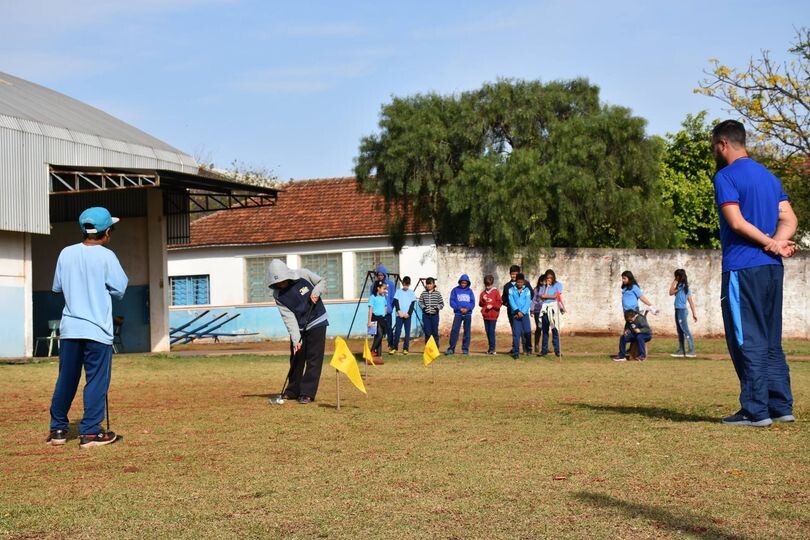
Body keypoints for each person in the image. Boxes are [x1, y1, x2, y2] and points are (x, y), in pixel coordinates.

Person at [711, 119, 798, 427]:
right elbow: (789, 218)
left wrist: (769, 244)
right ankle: (780, 405)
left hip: (743, 267)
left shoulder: (726, 176)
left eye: (714, 147)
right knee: (770, 337)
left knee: (746, 337)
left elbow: (735, 222)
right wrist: (777, 242)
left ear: (722, 144)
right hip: (772, 270)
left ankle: (755, 410)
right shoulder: (769, 177)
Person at [47, 207, 128, 449]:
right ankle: (91, 433)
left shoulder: (65, 253)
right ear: (106, 232)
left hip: (71, 329)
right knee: (96, 381)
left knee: (66, 379)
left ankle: (58, 429)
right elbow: (120, 289)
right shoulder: (107, 256)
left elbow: (57, 287)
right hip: (97, 331)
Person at [267, 259, 329, 404]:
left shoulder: (303, 274)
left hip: (317, 320)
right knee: (296, 356)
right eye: (278, 282)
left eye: (283, 280)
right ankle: (292, 390)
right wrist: (296, 339)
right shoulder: (278, 295)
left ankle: (307, 392)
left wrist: (316, 291)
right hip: (299, 327)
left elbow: (322, 281)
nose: (281, 284)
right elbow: (288, 318)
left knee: (314, 358)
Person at [502, 265, 533, 354]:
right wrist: (511, 307)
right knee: (516, 331)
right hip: (513, 312)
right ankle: (515, 349)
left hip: (524, 312)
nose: (514, 276)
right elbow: (504, 298)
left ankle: (526, 349)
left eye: (516, 274)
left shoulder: (526, 284)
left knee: (525, 331)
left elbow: (531, 295)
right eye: (512, 274)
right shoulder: (507, 286)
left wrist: (523, 311)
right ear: (510, 274)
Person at [669, 269, 697, 358]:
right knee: (680, 331)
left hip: (681, 310)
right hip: (678, 310)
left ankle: (691, 350)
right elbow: (671, 292)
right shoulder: (681, 286)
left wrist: (694, 313)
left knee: (685, 330)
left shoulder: (683, 287)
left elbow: (671, 292)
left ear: (678, 277)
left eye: (675, 276)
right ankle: (681, 350)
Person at [368, 265, 396, 354]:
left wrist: (390, 307)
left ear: (385, 275)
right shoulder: (374, 285)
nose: (380, 276)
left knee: (388, 329)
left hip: (386, 313)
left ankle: (391, 346)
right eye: (378, 275)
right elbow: (372, 299)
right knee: (378, 333)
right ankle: (376, 351)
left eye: (382, 275)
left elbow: (393, 297)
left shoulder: (390, 284)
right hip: (376, 314)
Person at [535, 270, 563, 357]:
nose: (549, 279)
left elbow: (556, 296)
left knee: (555, 329)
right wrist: (547, 287)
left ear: (553, 277)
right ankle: (544, 350)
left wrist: (547, 296)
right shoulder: (544, 286)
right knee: (545, 330)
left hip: (554, 308)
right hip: (545, 309)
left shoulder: (558, 284)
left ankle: (557, 350)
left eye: (551, 278)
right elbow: (542, 297)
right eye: (547, 278)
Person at [446, 274, 475, 355]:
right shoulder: (455, 290)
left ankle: (465, 349)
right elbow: (452, 301)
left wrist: (467, 309)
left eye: (465, 283)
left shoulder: (470, 291)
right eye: (462, 283)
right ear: (460, 282)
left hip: (467, 314)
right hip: (458, 314)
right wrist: (459, 308)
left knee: (467, 331)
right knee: (455, 330)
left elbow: (472, 303)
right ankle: (451, 348)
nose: (463, 284)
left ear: (468, 283)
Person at [508, 273, 532, 360]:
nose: (519, 284)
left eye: (521, 282)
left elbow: (528, 302)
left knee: (527, 332)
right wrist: (517, 311)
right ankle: (515, 352)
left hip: (524, 315)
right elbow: (511, 301)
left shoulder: (527, 290)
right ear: (516, 281)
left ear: (524, 282)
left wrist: (522, 312)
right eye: (518, 282)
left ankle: (529, 349)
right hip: (515, 315)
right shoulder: (511, 290)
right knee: (516, 334)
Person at [478, 274, 502, 355]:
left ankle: (493, 348)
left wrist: (492, 305)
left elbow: (499, 304)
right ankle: (490, 348)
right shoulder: (483, 293)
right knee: (488, 332)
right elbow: (480, 304)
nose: (488, 287)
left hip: (493, 316)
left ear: (492, 284)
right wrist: (483, 300)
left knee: (491, 331)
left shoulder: (496, 292)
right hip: (485, 316)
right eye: (486, 285)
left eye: (489, 285)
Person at [392, 276, 416, 355]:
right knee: (397, 331)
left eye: (407, 285)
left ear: (409, 284)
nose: (405, 286)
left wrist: (408, 313)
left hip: (407, 316)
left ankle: (406, 348)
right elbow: (396, 302)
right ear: (402, 283)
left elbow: (412, 304)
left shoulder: (411, 293)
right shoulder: (398, 291)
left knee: (407, 332)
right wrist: (399, 312)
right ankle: (394, 347)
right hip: (399, 315)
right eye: (404, 284)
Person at [419, 277, 444, 348]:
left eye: (430, 284)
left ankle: (436, 348)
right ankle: (428, 348)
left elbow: (442, 303)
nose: (429, 285)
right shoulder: (423, 293)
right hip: (426, 316)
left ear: (433, 284)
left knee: (435, 333)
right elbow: (420, 302)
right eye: (427, 284)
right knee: (427, 333)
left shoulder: (437, 293)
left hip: (435, 316)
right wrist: (423, 307)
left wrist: (437, 308)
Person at [368, 281, 389, 360]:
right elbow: (370, 309)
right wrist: (369, 321)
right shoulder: (373, 297)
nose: (384, 290)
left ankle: (379, 355)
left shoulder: (383, 297)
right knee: (379, 335)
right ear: (378, 288)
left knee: (380, 337)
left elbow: (385, 306)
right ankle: (372, 351)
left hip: (382, 319)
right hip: (375, 318)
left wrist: (385, 313)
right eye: (383, 289)